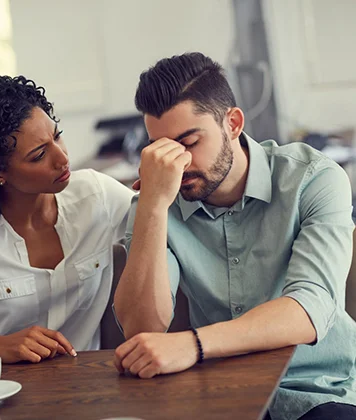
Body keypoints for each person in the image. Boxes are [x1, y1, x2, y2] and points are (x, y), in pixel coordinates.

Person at [113, 53, 356, 420]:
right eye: (160, 150)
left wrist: (194, 344)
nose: (176, 163)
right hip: (219, 394)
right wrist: (152, 208)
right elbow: (141, 326)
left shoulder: (314, 179)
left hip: (320, 390)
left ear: (233, 123)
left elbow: (310, 308)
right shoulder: (156, 201)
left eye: (189, 142)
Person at [0, 74, 133, 363]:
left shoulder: (96, 195)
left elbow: (171, 226)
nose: (63, 158)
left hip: (89, 388)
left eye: (57, 136)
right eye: (39, 155)